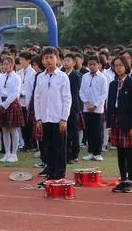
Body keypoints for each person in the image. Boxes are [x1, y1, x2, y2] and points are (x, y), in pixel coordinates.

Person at [106, 56, 132, 193]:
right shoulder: (112, 84)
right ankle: (122, 179)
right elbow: (109, 105)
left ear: (126, 66)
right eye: (115, 66)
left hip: (128, 121)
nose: (118, 68)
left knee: (129, 151)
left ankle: (130, 180)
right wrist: (109, 125)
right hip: (116, 119)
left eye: (120, 65)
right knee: (120, 151)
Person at [34, 47, 72, 183]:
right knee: (47, 146)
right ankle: (50, 172)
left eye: (51, 57)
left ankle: (59, 174)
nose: (48, 60)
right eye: (45, 58)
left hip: (58, 118)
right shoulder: (40, 77)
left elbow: (67, 98)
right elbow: (36, 98)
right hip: (45, 117)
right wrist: (38, 118)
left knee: (59, 147)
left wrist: (64, 118)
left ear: (57, 59)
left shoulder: (63, 77)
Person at [79, 55, 108, 162]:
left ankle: (98, 152)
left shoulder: (102, 78)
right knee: (89, 130)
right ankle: (90, 151)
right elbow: (81, 91)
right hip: (87, 108)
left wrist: (95, 105)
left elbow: (103, 94)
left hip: (97, 109)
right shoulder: (85, 76)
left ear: (99, 65)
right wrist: (86, 103)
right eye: (89, 64)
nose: (91, 66)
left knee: (98, 131)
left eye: (94, 64)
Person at [0, 56, 24, 163]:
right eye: (3, 64)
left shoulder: (16, 77)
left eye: (7, 64)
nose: (4, 66)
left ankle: (14, 153)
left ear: (12, 65)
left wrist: (5, 104)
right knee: (5, 129)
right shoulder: (1, 77)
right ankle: (7, 153)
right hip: (2, 103)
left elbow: (15, 93)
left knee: (13, 129)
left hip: (12, 104)